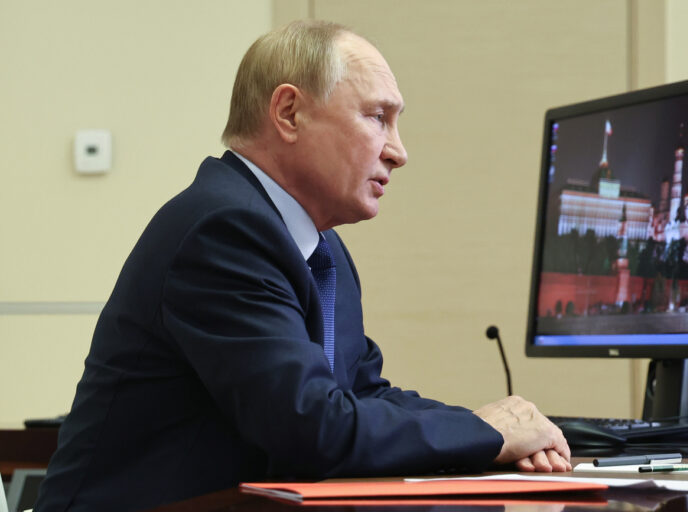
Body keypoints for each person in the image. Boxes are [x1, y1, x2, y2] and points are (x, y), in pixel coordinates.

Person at [35, 20, 570, 511]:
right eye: (377, 118)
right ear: (289, 113)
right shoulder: (223, 230)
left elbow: (361, 394)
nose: (398, 152)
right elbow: (313, 428)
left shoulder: (318, 246)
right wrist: (487, 433)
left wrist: (496, 428)